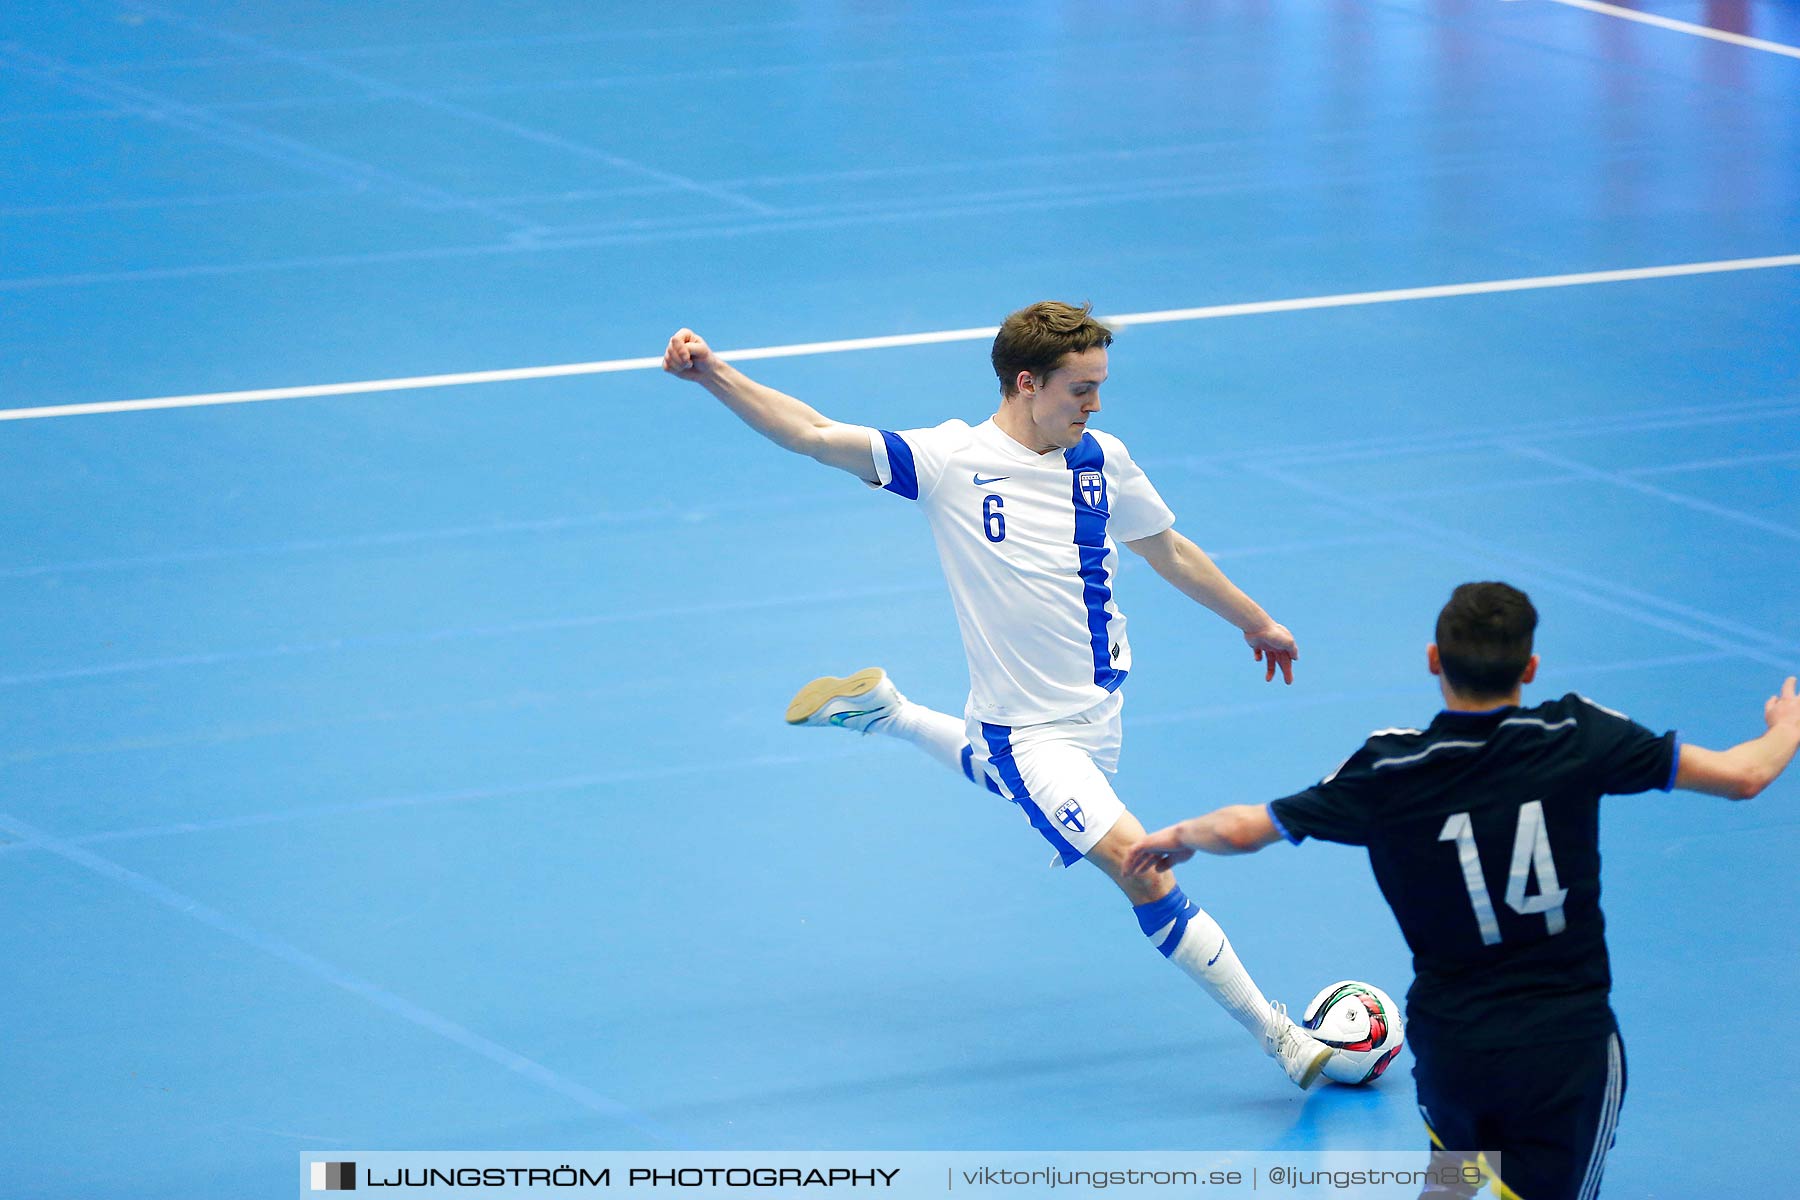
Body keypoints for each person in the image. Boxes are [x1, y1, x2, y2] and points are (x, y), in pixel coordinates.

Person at [663, 301, 1335, 1088]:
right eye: (1081, 389)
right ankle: (1277, 1034)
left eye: (1099, 387)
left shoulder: (1102, 458)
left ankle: (895, 714)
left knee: (1028, 791)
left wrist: (1257, 622)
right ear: (1027, 383)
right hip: (1030, 731)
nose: (1095, 404)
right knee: (1141, 865)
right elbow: (812, 433)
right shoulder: (950, 459)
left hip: (1099, 708)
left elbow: (1168, 549)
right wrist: (713, 374)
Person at [1126, 581, 1800, 1199]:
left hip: (1454, 1044)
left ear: (1432, 660)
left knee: (1453, 1177)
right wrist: (1787, 727)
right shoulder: (1576, 734)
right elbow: (1744, 776)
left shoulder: (1390, 769)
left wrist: (1178, 836)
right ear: (1529, 668)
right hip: (1565, 1049)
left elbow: (1246, 830)